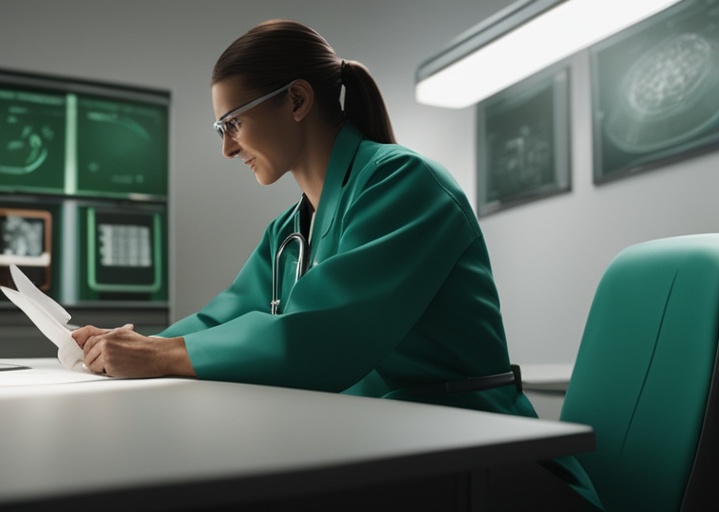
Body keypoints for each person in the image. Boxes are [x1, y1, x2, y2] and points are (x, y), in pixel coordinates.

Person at [72, 19, 602, 509]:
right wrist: (128, 345)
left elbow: (319, 339)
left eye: (232, 123)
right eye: (220, 130)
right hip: (391, 443)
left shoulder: (404, 183)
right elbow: (223, 318)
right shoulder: (289, 230)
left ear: (297, 100)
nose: (227, 149)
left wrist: (160, 358)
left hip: (479, 453)